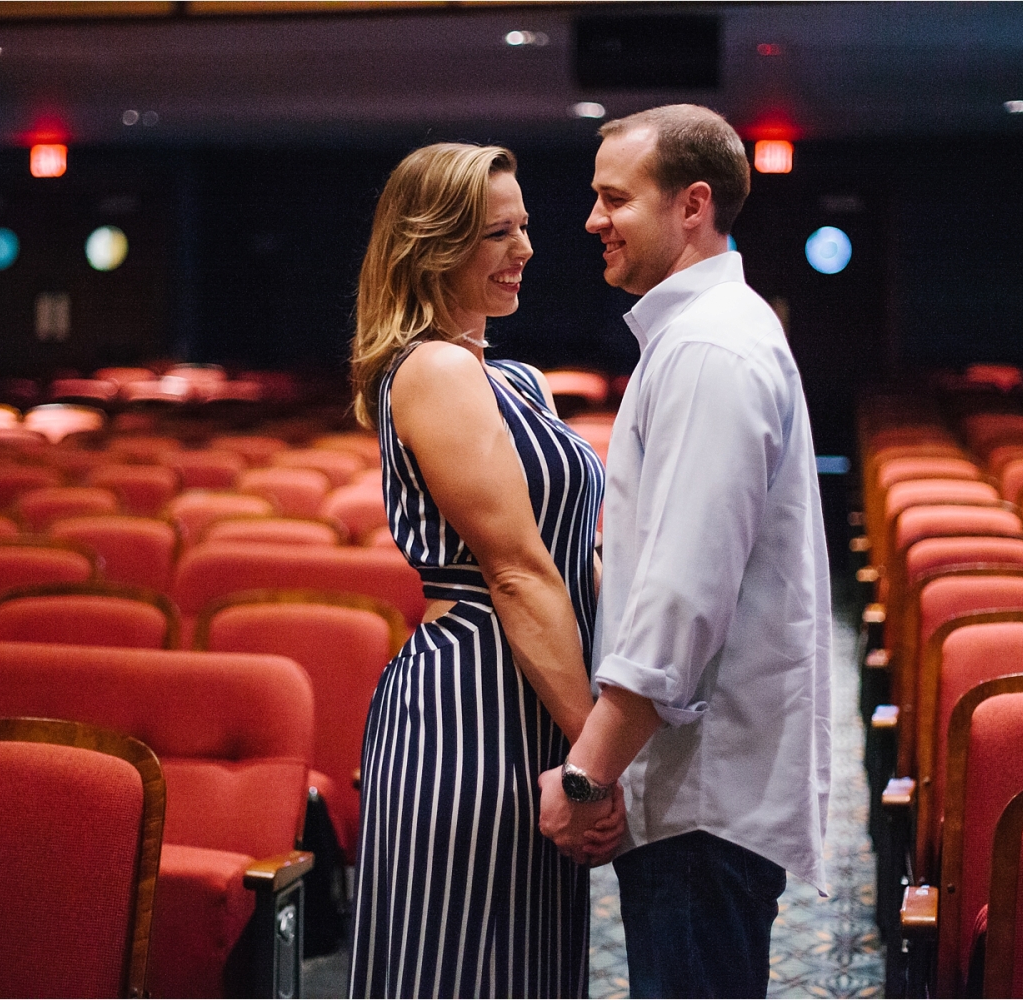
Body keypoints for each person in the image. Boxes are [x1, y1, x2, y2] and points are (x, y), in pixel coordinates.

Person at [538, 104, 833, 998]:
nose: (592, 221)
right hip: (695, 793)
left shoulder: (710, 347)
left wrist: (589, 771)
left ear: (691, 205)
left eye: (613, 199)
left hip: (706, 802)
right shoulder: (702, 336)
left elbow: (681, 599)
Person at [347, 142, 624, 999]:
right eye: (497, 233)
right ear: (432, 248)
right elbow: (516, 575)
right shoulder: (431, 369)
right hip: (467, 716)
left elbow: (578, 557)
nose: (526, 250)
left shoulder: (512, 377)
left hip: (530, 698)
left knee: (528, 970)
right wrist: (595, 759)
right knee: (464, 971)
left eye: (526, 227)